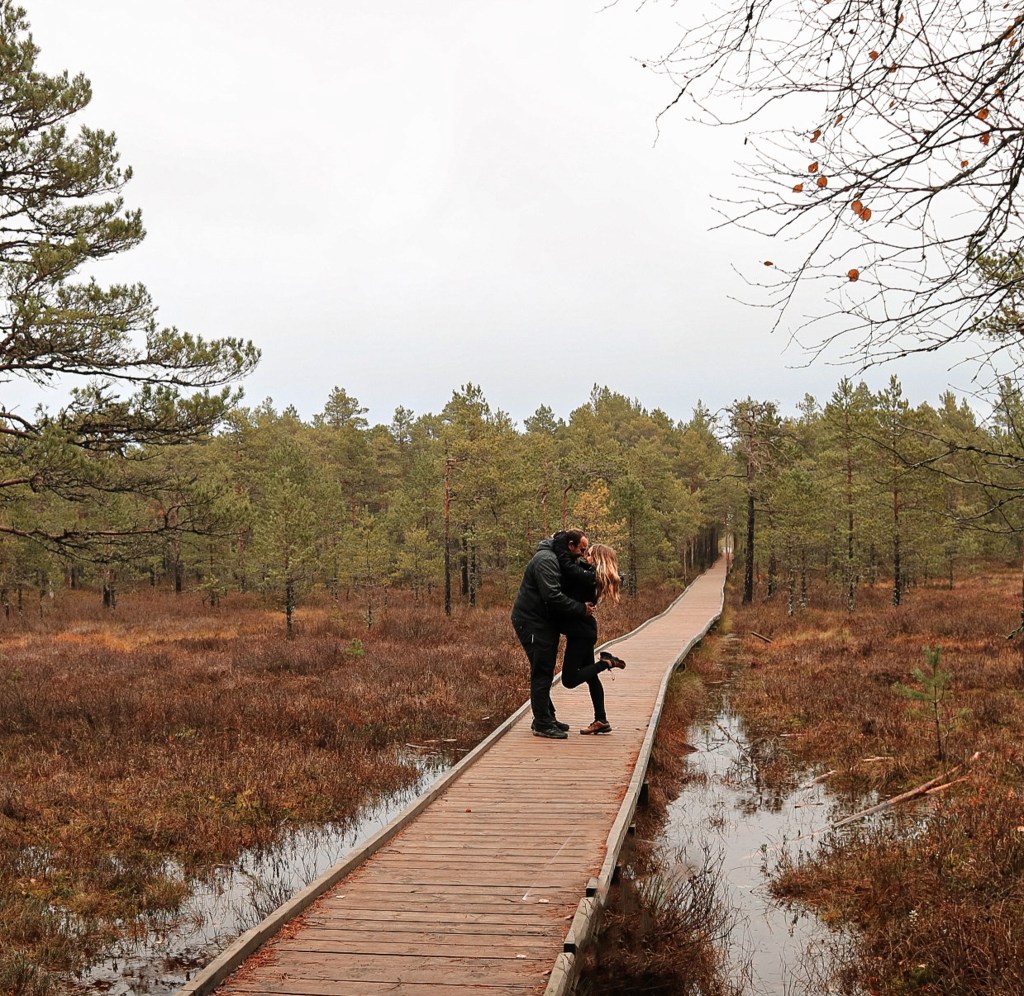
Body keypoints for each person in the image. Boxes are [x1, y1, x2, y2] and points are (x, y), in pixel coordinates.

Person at [511, 529, 594, 739]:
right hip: (532, 621)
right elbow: (552, 596)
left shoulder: (558, 557)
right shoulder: (546, 560)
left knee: (544, 669)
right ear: (570, 545)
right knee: (542, 670)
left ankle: (546, 716)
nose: (583, 554)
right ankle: (542, 723)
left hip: (544, 622)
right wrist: (580, 609)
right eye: (581, 549)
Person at [553, 535, 625, 735]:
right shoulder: (593, 575)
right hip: (584, 630)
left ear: (598, 559)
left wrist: (558, 542)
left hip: (581, 633)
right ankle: (601, 720)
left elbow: (568, 567)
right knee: (591, 678)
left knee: (569, 680)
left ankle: (606, 663)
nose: (585, 556)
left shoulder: (590, 576)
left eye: (590, 554)